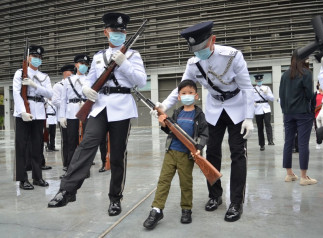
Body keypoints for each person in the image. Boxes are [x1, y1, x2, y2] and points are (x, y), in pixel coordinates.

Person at [153, 21, 254, 222]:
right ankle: (215, 195)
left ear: (212, 40)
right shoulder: (193, 64)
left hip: (237, 107)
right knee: (211, 153)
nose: (198, 53)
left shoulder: (233, 56)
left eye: (201, 48)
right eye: (194, 50)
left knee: (237, 154)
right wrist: (164, 105)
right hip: (215, 109)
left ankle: (235, 202)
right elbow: (182, 87)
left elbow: (247, 88)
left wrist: (249, 117)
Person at [48, 12, 147, 217]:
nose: (118, 34)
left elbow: (141, 81)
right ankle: (67, 190)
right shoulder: (98, 57)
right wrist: (85, 89)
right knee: (86, 145)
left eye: (121, 31)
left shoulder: (133, 55)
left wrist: (124, 63)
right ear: (106, 32)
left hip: (122, 108)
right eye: (114, 31)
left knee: (118, 155)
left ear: (125, 33)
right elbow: (88, 79)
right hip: (100, 106)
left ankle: (115, 198)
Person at [143, 80, 208, 229]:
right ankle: (157, 210)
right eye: (183, 93)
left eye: (190, 93)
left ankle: (186, 209)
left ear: (196, 96)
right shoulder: (177, 113)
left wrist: (199, 147)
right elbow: (171, 131)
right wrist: (163, 124)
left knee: (185, 183)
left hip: (187, 154)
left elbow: (204, 133)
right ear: (178, 97)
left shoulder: (199, 114)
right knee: (163, 181)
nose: (187, 96)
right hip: (171, 151)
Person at [13, 45, 53, 190]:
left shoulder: (45, 77)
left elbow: (49, 94)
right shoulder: (20, 73)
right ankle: (23, 179)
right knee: (22, 147)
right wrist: (22, 111)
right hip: (23, 114)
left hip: (39, 113)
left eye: (39, 57)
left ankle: (37, 177)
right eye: (34, 56)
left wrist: (34, 85)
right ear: (28, 58)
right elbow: (17, 94)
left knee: (37, 147)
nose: (36, 59)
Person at [279, 50, 317, 186]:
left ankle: (289, 174)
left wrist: (285, 110)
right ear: (304, 60)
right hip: (303, 113)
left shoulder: (284, 75)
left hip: (288, 113)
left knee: (288, 143)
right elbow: (309, 95)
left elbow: (281, 95)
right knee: (302, 144)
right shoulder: (306, 74)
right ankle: (303, 176)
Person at [58, 54, 90, 179]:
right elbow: (63, 99)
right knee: (72, 142)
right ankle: (70, 170)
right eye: (82, 64)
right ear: (76, 65)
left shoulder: (90, 79)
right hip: (71, 113)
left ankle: (84, 170)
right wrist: (62, 116)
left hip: (85, 112)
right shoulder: (68, 81)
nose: (84, 66)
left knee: (86, 143)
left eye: (86, 65)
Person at [52, 64, 75, 171]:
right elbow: (55, 101)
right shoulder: (58, 85)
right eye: (69, 71)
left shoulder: (75, 82)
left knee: (76, 140)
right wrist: (67, 103)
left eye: (72, 71)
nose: (71, 73)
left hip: (74, 116)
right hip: (64, 117)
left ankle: (76, 161)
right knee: (66, 141)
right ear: (64, 73)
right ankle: (66, 163)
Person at [253, 74, 274, 151]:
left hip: (266, 108)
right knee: (260, 128)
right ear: (255, 81)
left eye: (260, 81)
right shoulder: (253, 89)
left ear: (262, 80)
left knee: (268, 125)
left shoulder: (267, 88)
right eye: (258, 81)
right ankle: (262, 144)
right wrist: (253, 104)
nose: (259, 82)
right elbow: (250, 99)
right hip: (258, 109)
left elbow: (272, 98)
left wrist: (266, 93)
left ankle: (270, 140)